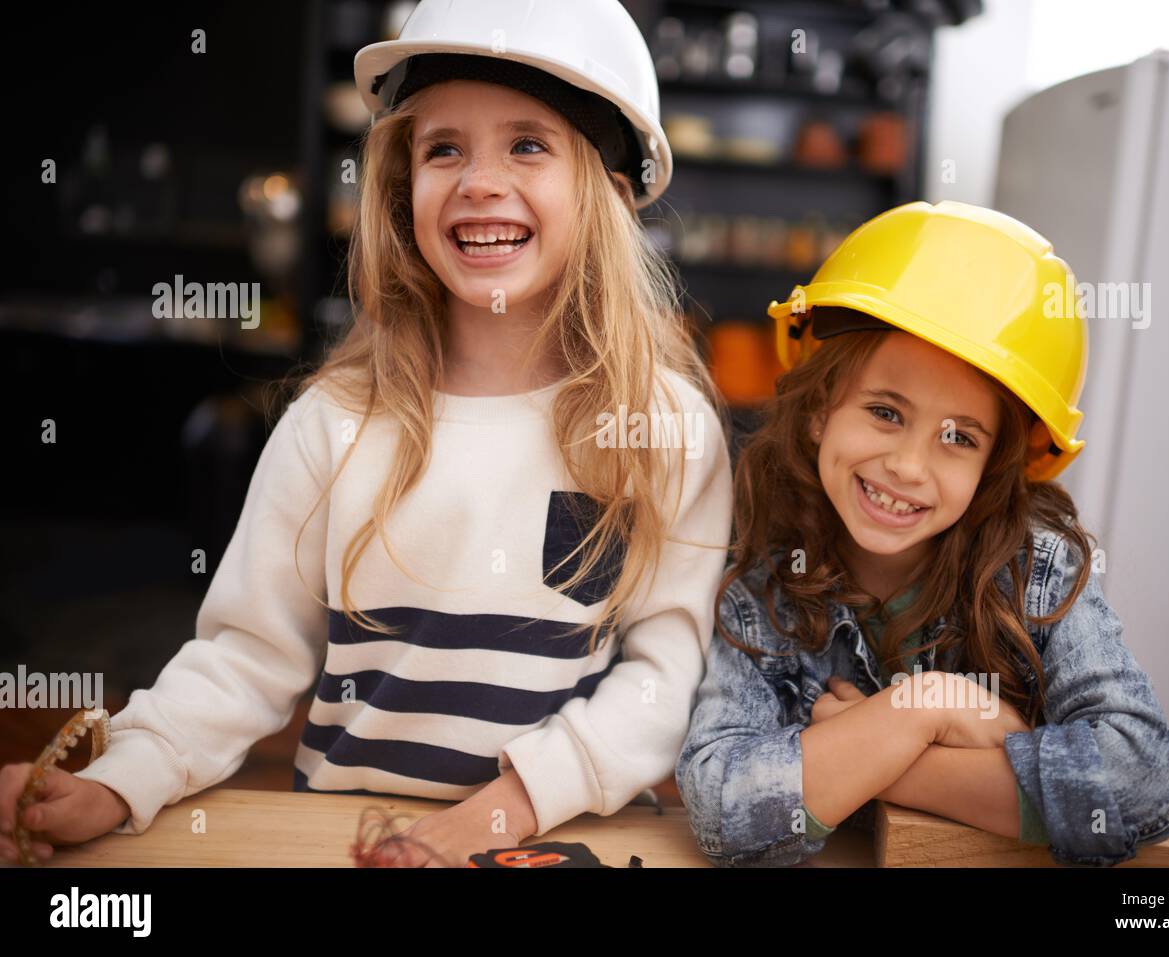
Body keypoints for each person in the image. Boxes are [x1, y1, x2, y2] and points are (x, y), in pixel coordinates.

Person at [0, 0, 732, 867]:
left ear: (610, 195)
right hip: (354, 845)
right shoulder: (334, 422)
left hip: (566, 843)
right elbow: (243, 659)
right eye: (442, 148)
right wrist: (119, 780)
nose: (478, 181)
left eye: (528, 144)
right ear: (400, 187)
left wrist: (497, 815)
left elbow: (662, 677)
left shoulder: (667, 428)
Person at [676, 200, 1169, 867]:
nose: (908, 466)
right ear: (821, 410)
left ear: (994, 461)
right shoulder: (766, 587)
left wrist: (871, 757)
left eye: (958, 437)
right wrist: (928, 712)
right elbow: (721, 806)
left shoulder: (1038, 570)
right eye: (886, 412)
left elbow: (1139, 785)